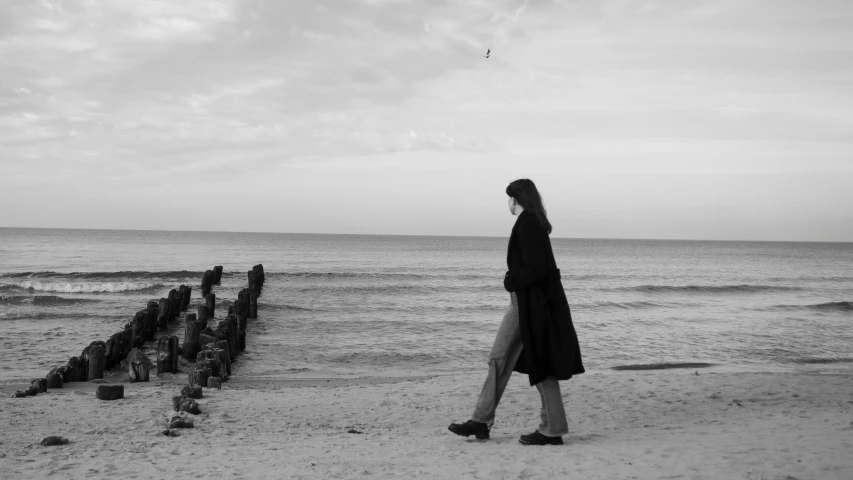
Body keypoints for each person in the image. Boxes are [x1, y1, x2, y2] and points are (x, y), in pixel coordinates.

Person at [448, 178, 585, 446]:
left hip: (531, 302)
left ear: (515, 199)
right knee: (499, 358)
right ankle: (481, 420)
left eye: (508, 198)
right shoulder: (532, 222)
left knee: (540, 363)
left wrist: (510, 280)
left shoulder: (528, 224)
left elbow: (536, 270)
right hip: (524, 301)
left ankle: (552, 428)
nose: (507, 204)